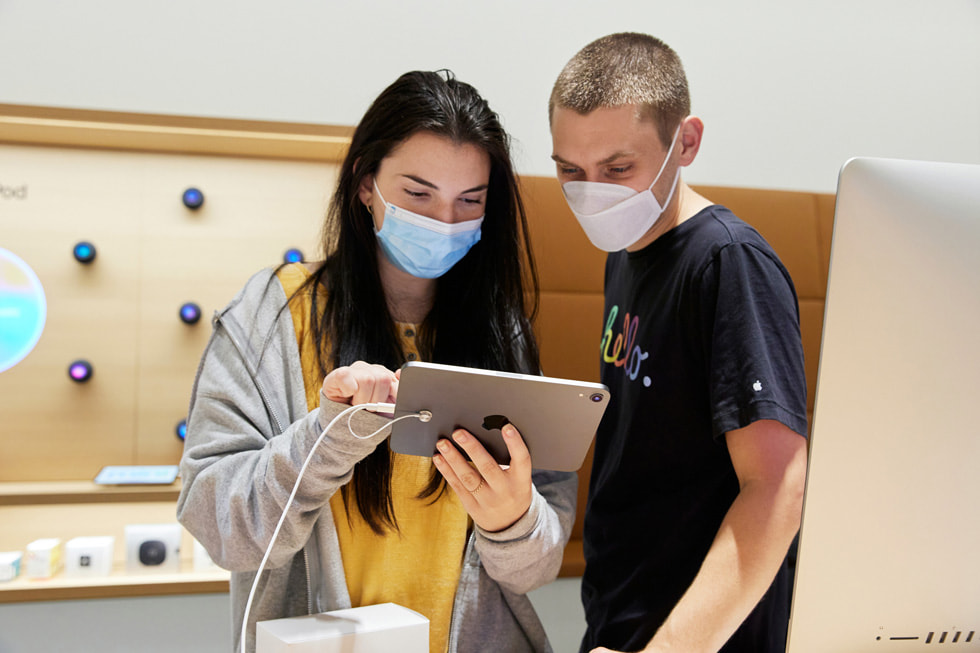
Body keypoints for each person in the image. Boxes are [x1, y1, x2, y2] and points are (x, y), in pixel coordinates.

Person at [177, 70, 576, 653]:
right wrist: (327, 436)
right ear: (367, 183)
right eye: (418, 194)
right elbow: (220, 529)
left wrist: (513, 522)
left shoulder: (502, 333)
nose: (445, 221)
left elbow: (533, 570)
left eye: (470, 201)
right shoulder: (272, 315)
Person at [548, 33, 809, 653]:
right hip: (621, 613)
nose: (594, 192)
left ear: (685, 142)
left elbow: (778, 487)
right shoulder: (627, 251)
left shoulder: (728, 263)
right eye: (570, 171)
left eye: (618, 169)